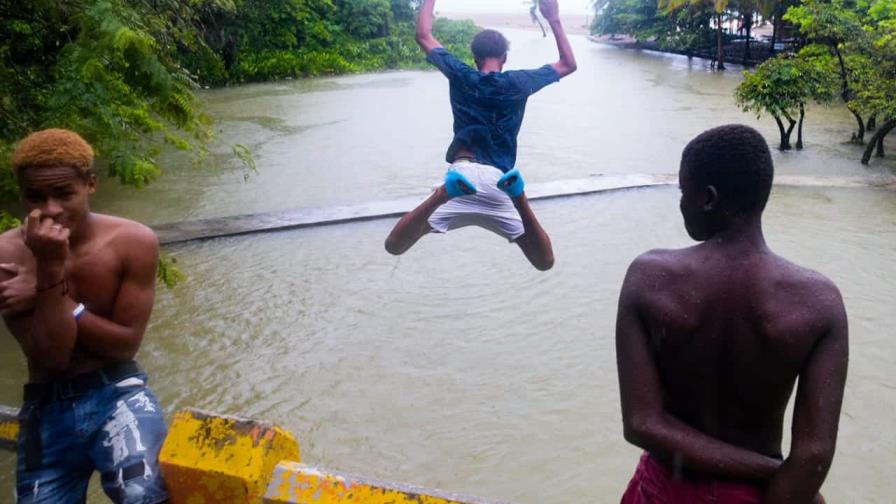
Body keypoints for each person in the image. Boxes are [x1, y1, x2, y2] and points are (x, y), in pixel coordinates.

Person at [615, 125, 847, 504]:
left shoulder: (649, 278)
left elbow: (642, 424)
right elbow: (814, 455)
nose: (681, 204)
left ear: (707, 198)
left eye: (682, 192)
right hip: (764, 495)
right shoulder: (820, 302)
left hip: (663, 489)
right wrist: (774, 471)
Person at [0, 129, 169, 503]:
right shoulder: (6, 256)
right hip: (46, 403)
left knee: (143, 494)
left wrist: (49, 293)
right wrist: (50, 268)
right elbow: (51, 357)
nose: (50, 209)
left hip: (118, 392)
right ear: (20, 193)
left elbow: (125, 344)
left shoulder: (133, 242)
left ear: (90, 184)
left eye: (64, 193)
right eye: (35, 196)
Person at [384, 0, 577, 271]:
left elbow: (423, 35)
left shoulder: (461, 75)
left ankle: (441, 194)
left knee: (394, 245)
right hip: (500, 183)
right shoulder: (519, 82)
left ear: (474, 58)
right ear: (505, 58)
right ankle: (519, 196)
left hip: (460, 179)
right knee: (544, 261)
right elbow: (568, 64)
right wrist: (554, 18)